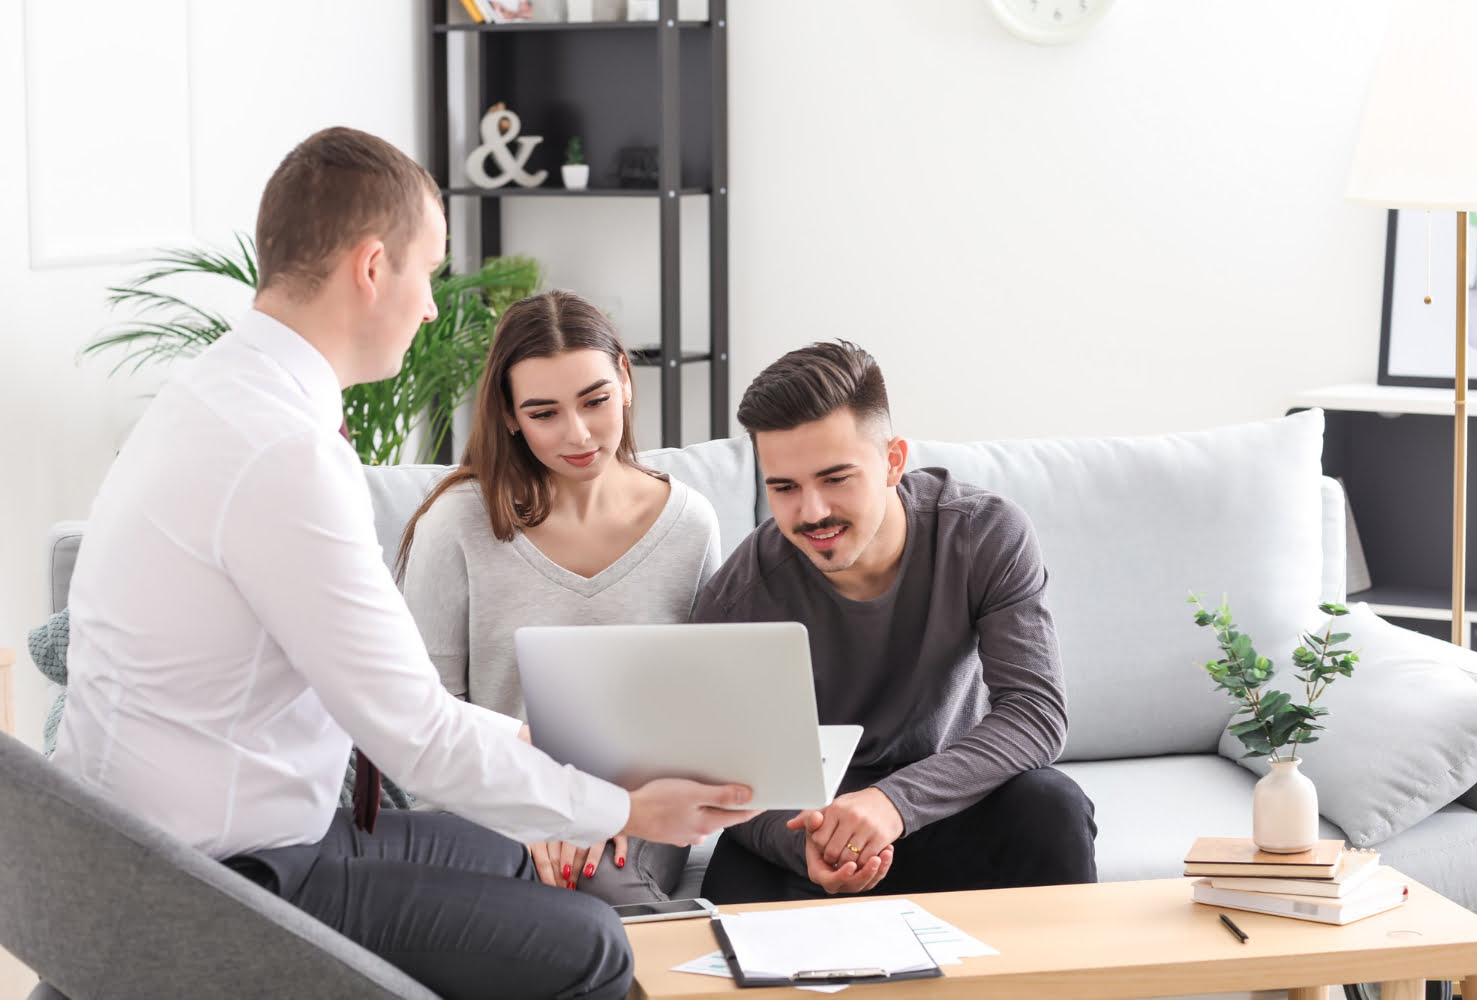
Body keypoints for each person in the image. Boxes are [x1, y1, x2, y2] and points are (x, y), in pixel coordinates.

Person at [50, 126, 758, 1000]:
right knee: (592, 946)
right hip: (215, 878)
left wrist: (569, 758)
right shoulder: (281, 454)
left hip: (170, 841)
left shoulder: (214, 397)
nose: (431, 308)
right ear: (373, 266)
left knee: (515, 861)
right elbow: (414, 732)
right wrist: (629, 809)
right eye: (428, 273)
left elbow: (393, 702)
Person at [691, 340, 1098, 903]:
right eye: (784, 487)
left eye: (836, 478)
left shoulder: (984, 534)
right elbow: (717, 764)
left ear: (893, 461)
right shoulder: (743, 592)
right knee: (720, 944)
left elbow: (1036, 714)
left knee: (1052, 807)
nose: (811, 512)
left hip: (949, 798)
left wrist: (892, 803)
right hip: (811, 825)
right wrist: (801, 846)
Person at [396, 289, 721, 904]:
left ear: (624, 379)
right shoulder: (456, 525)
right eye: (544, 413)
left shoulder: (690, 525)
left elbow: (700, 713)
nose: (578, 434)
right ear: (510, 415)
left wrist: (604, 810)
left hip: (639, 816)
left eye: (595, 401)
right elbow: (427, 722)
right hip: (494, 809)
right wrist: (539, 811)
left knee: (602, 879)